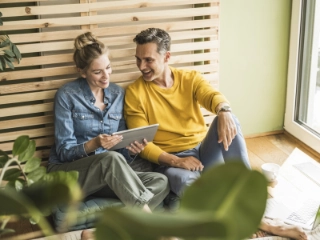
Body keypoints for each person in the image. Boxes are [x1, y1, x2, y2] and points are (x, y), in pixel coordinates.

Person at [47, 32, 170, 219]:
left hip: (105, 175)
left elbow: (119, 154)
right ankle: (151, 223)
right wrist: (94, 144)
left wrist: (131, 150)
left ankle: (112, 223)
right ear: (82, 71)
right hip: (69, 175)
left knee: (160, 181)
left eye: (108, 68)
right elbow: (64, 152)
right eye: (97, 72)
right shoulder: (67, 95)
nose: (106, 77)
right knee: (109, 160)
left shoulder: (117, 94)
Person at [124, 27, 250, 198]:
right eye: (138, 59)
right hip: (171, 162)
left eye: (148, 60)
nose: (141, 66)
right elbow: (142, 143)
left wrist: (224, 110)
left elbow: (210, 95)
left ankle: (248, 189)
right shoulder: (135, 93)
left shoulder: (190, 78)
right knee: (189, 186)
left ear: (167, 57)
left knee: (230, 118)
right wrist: (177, 161)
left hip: (204, 150)